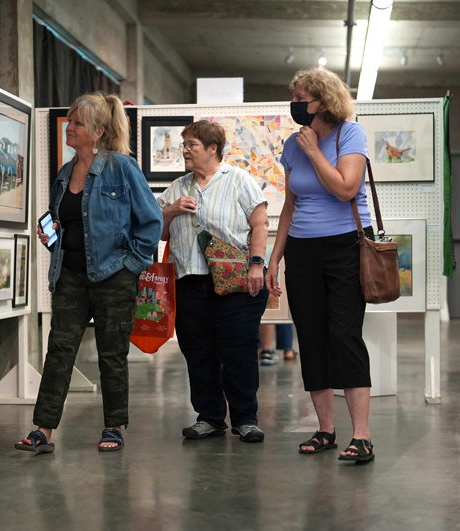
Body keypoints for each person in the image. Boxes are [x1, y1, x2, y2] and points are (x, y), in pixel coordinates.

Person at [16, 93, 162, 453]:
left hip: (113, 277)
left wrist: (129, 267)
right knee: (59, 350)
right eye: (70, 121)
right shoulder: (65, 173)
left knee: (111, 355)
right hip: (70, 276)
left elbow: (151, 222)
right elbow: (65, 224)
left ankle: (113, 426)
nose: (70, 128)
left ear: (97, 131)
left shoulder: (122, 168)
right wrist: (51, 237)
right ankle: (43, 430)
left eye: (78, 123)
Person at [265, 67, 376, 463]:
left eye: (301, 99)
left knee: (344, 335)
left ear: (324, 100)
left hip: (345, 246)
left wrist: (314, 150)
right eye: (293, 97)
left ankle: (361, 436)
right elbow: (289, 207)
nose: (295, 105)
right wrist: (274, 259)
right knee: (310, 336)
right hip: (302, 250)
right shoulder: (291, 145)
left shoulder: (351, 134)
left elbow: (346, 187)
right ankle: (326, 429)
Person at [158, 120, 270, 443]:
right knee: (198, 352)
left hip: (233, 284)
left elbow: (260, 223)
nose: (185, 151)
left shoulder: (238, 180)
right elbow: (160, 234)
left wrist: (257, 264)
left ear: (212, 149)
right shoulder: (177, 188)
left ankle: (245, 417)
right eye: (184, 145)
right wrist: (171, 211)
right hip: (189, 282)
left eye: (192, 145)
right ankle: (209, 417)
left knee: (239, 351)